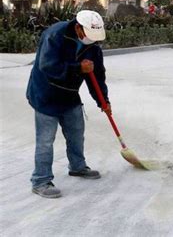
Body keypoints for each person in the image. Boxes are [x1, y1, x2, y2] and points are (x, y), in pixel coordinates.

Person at [26, 10, 111, 198]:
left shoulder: (93, 47)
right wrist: (79, 67)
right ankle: (40, 181)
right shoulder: (55, 34)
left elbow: (97, 76)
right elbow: (47, 65)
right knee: (45, 141)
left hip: (70, 95)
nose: (92, 40)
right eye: (89, 34)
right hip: (45, 94)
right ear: (78, 27)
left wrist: (103, 101)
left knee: (76, 134)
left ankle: (77, 167)